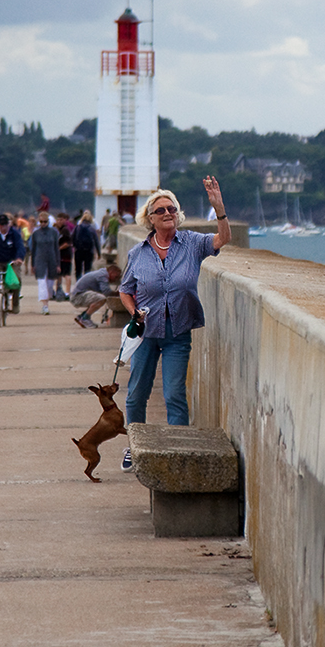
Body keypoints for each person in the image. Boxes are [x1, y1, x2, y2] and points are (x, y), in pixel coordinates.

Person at [118, 176, 231, 472]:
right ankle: (134, 446)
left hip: (178, 331)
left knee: (174, 394)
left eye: (172, 209)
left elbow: (222, 240)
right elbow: (124, 289)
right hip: (145, 333)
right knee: (136, 393)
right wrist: (133, 313)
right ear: (150, 219)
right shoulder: (138, 253)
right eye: (161, 210)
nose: (168, 213)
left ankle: (178, 451)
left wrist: (219, 209)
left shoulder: (192, 243)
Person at [0, 214, 26, 313]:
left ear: (9, 224)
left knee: (16, 279)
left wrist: (19, 258)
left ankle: (15, 304)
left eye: (5, 224)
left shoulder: (14, 234)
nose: (3, 227)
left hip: (11, 261)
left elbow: (20, 247)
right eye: (1, 225)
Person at [30, 211, 60, 315]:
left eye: (45, 221)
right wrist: (32, 264)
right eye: (41, 221)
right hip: (39, 260)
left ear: (48, 221)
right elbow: (33, 250)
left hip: (52, 259)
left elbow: (57, 249)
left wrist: (58, 264)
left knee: (49, 284)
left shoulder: (54, 232)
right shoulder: (35, 234)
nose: (43, 223)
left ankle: (47, 300)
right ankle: (45, 305)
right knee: (42, 282)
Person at [72, 210, 101, 280]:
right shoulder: (92, 229)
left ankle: (78, 283)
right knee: (87, 269)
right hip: (89, 251)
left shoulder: (77, 227)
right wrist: (98, 253)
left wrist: (75, 246)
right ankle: (86, 284)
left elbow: (72, 237)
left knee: (78, 269)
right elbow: (96, 241)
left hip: (78, 251)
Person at [55, 213, 73, 300]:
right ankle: (59, 290)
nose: (59, 221)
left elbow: (67, 243)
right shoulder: (58, 230)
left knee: (66, 274)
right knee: (59, 274)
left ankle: (67, 292)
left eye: (61, 220)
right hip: (60, 255)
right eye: (58, 220)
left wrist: (58, 249)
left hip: (65, 255)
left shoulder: (65, 230)